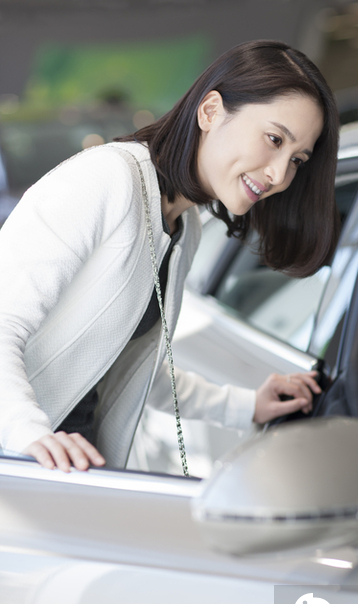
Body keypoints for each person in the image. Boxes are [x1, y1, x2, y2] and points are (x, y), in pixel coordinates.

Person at [0, 39, 340, 473]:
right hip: (22, 463)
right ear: (211, 111)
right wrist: (28, 433)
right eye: (274, 139)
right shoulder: (107, 179)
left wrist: (246, 405)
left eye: (297, 159)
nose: (279, 174)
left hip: (70, 469)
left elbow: (132, 367)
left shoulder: (184, 227)